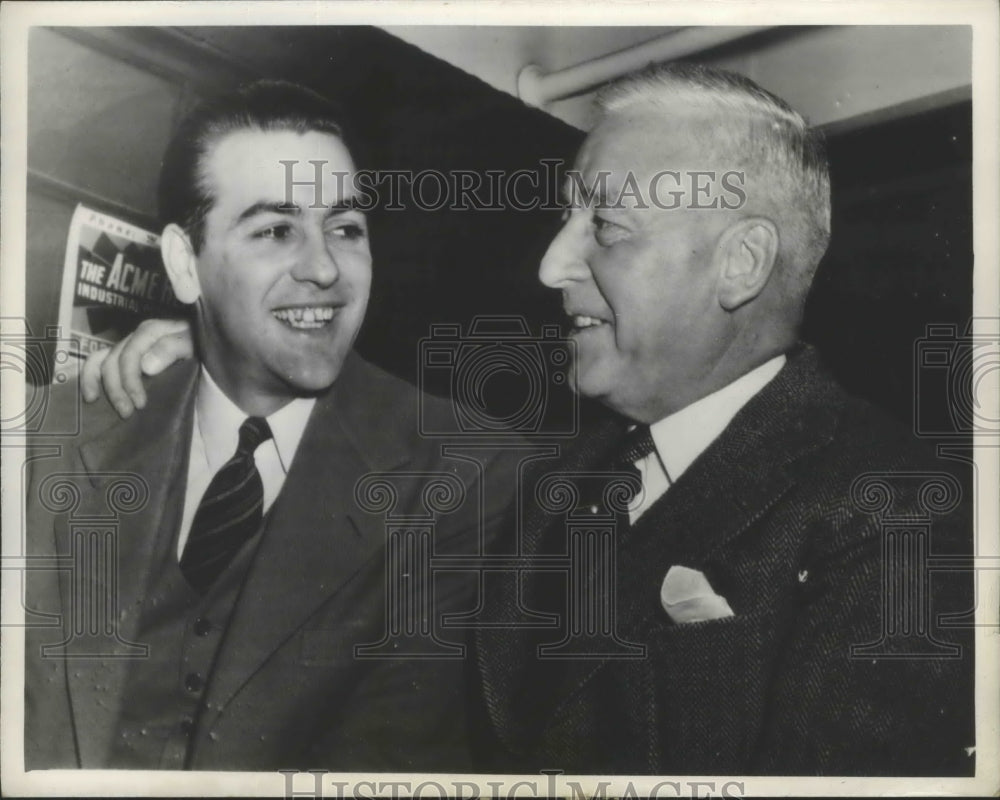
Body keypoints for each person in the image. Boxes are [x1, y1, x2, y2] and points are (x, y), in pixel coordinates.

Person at [81, 64, 975, 776]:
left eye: (606, 230)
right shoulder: (551, 481)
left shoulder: (898, 514)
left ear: (740, 264)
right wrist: (215, 339)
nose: (552, 265)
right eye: (565, 221)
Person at [24, 80, 511, 771]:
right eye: (275, 230)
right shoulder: (49, 443)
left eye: (345, 229)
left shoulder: (473, 478)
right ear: (183, 264)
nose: (323, 268)